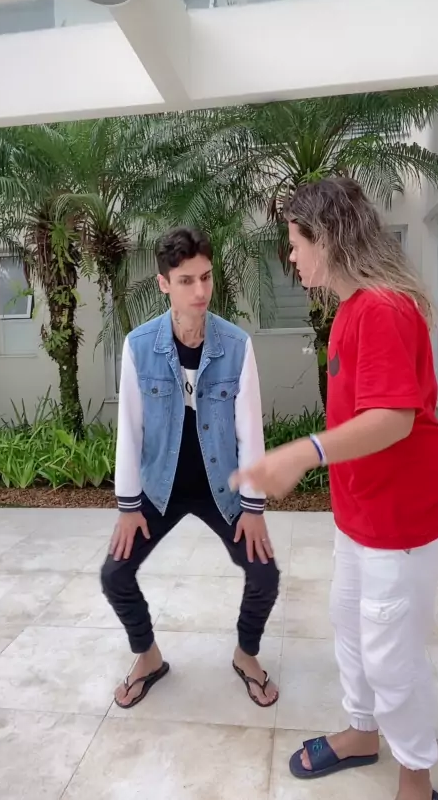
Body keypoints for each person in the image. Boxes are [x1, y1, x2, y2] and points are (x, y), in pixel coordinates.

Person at [231, 178, 438, 800]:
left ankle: (415, 779)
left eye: (295, 242)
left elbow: (392, 418)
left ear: (326, 238)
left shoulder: (382, 308)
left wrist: (302, 453)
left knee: (391, 654)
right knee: (350, 625)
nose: (291, 257)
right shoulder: (352, 309)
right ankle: (362, 732)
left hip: (404, 517)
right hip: (362, 512)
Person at [101, 226, 280, 710]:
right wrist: (128, 507)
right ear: (164, 284)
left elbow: (250, 432)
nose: (200, 290)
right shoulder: (139, 346)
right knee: (115, 574)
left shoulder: (237, 345)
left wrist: (253, 508)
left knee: (264, 575)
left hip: (222, 488)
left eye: (206, 277)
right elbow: (129, 431)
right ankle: (148, 658)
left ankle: (246, 655)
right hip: (160, 487)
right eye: (186, 280)